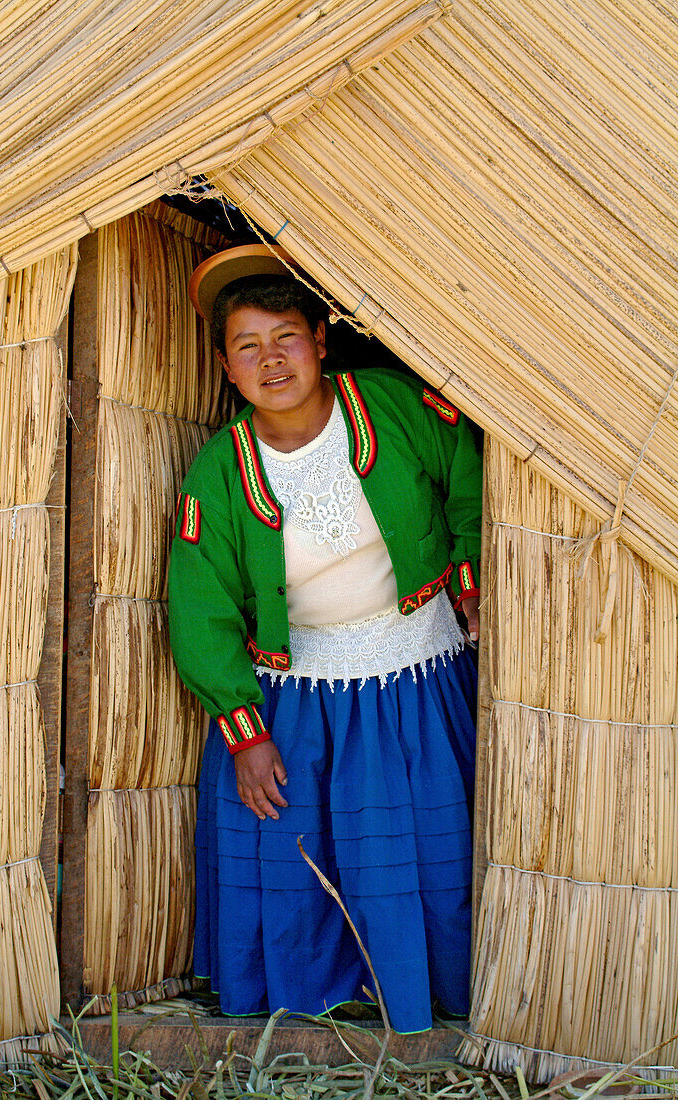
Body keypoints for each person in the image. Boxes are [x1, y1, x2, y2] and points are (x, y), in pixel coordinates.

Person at [168, 244, 482, 1034]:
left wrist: (472, 577)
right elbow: (198, 609)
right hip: (299, 695)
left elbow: (468, 476)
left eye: (286, 337)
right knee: (298, 855)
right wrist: (244, 733)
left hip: (417, 672)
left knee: (428, 847)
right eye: (248, 346)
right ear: (226, 366)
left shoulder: (391, 407)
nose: (271, 360)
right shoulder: (218, 473)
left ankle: (430, 995)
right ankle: (318, 1001)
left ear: (320, 338)